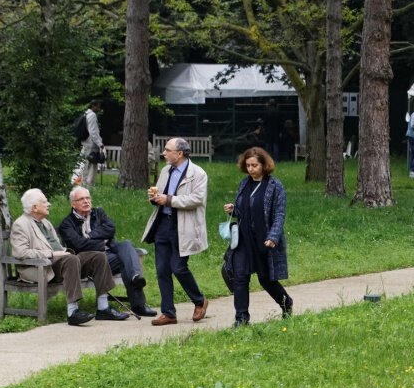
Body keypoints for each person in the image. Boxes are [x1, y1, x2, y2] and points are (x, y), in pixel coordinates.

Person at [11, 188, 119, 325]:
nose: (48, 204)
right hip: (40, 268)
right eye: (44, 202)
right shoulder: (21, 224)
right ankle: (72, 312)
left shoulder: (45, 223)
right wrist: (52, 254)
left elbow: (57, 247)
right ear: (34, 207)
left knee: (98, 256)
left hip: (60, 262)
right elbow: (20, 253)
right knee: (71, 259)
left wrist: (62, 252)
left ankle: (103, 308)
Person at [57, 186, 156, 318]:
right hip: (90, 262)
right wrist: (102, 242)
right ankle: (138, 304)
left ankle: (136, 279)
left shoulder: (98, 213)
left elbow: (110, 229)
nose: (86, 201)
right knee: (124, 261)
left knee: (126, 245)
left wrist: (90, 235)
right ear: (73, 204)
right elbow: (78, 245)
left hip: (109, 255)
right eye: (81, 199)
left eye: (88, 198)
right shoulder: (67, 224)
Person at [142, 137, 210, 326]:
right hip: (162, 224)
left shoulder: (198, 173)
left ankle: (199, 301)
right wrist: (155, 198)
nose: (164, 153)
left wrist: (169, 200)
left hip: (183, 226)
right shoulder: (165, 170)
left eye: (167, 150)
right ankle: (168, 313)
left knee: (178, 267)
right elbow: (161, 195)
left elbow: (196, 199)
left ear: (179, 154)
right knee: (162, 270)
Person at [222, 147, 293, 326]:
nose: (251, 169)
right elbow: (245, 209)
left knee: (266, 279)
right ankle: (241, 319)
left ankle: (286, 303)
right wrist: (234, 209)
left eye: (254, 165)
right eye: (248, 165)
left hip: (264, 240)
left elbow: (279, 215)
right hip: (243, 240)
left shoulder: (275, 186)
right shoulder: (244, 183)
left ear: (264, 165)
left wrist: (273, 237)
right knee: (240, 277)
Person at [72, 99, 104, 188]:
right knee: (87, 165)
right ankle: (84, 183)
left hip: (85, 142)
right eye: (98, 106)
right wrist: (100, 143)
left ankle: (77, 181)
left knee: (82, 163)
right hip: (90, 144)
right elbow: (93, 132)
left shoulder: (86, 114)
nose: (99, 108)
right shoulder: (92, 115)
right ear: (93, 106)